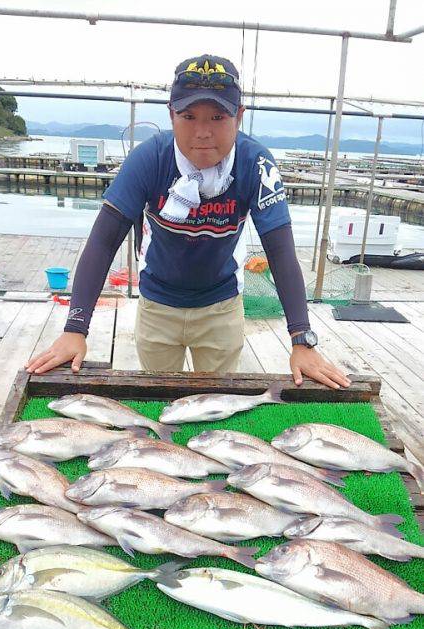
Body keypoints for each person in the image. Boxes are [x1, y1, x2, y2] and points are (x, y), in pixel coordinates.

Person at [27, 54, 350, 390]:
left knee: (216, 402)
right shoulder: (150, 158)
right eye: (189, 116)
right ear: (171, 114)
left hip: (221, 307)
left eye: (218, 116)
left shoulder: (257, 164)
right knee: (160, 401)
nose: (203, 132)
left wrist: (302, 340)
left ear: (239, 117)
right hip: (157, 305)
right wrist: (75, 329)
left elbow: (280, 251)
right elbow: (104, 240)